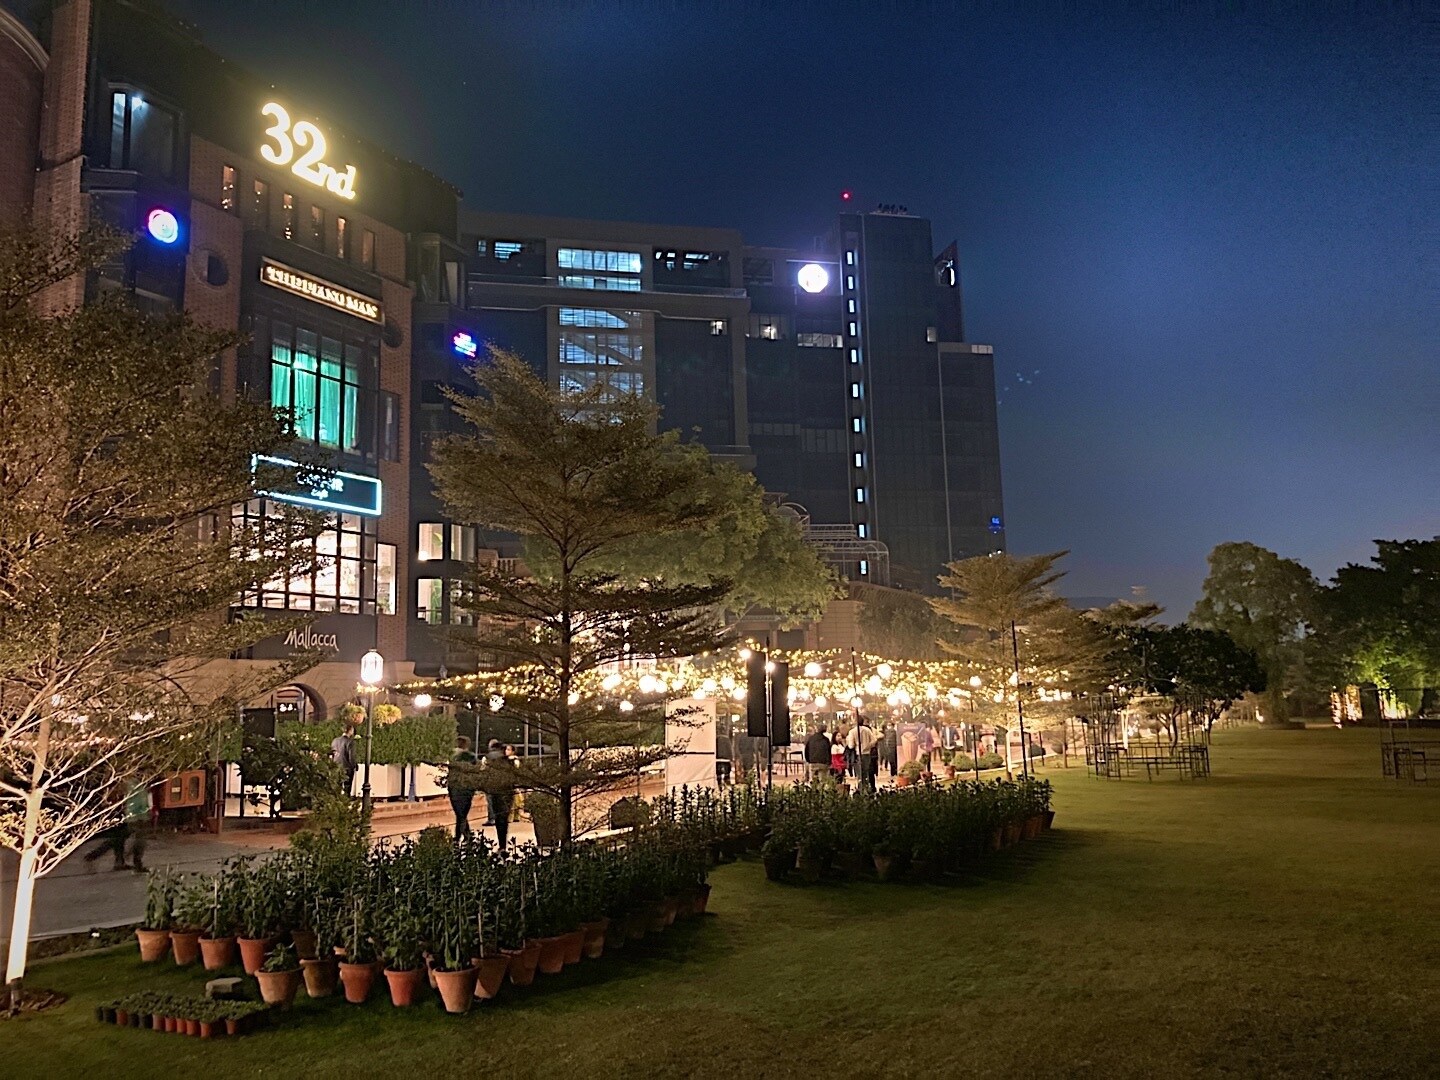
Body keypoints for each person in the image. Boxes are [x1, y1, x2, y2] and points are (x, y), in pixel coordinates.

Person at [481, 739, 518, 849]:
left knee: (498, 816)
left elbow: (483, 773)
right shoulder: (509, 760)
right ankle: (503, 843)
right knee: (504, 817)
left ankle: (501, 843)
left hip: (494, 790)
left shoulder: (487, 759)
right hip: (507, 791)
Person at [447, 735, 479, 839]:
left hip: (454, 787)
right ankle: (465, 835)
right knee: (462, 814)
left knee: (460, 814)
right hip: (467, 788)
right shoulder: (471, 757)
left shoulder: (451, 755)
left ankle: (461, 836)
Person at [846, 715, 879, 791]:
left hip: (857, 755)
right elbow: (874, 740)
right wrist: (867, 746)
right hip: (867, 754)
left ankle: (861, 789)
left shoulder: (852, 731)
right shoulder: (867, 730)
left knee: (859, 774)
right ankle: (866, 788)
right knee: (866, 772)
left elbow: (851, 746)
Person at [331, 724, 358, 796]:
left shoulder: (335, 741)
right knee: (347, 786)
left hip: (336, 766)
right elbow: (351, 756)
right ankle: (345, 802)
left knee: (337, 786)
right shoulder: (350, 742)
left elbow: (332, 754)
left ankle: (336, 802)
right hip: (347, 767)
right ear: (350, 731)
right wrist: (354, 766)